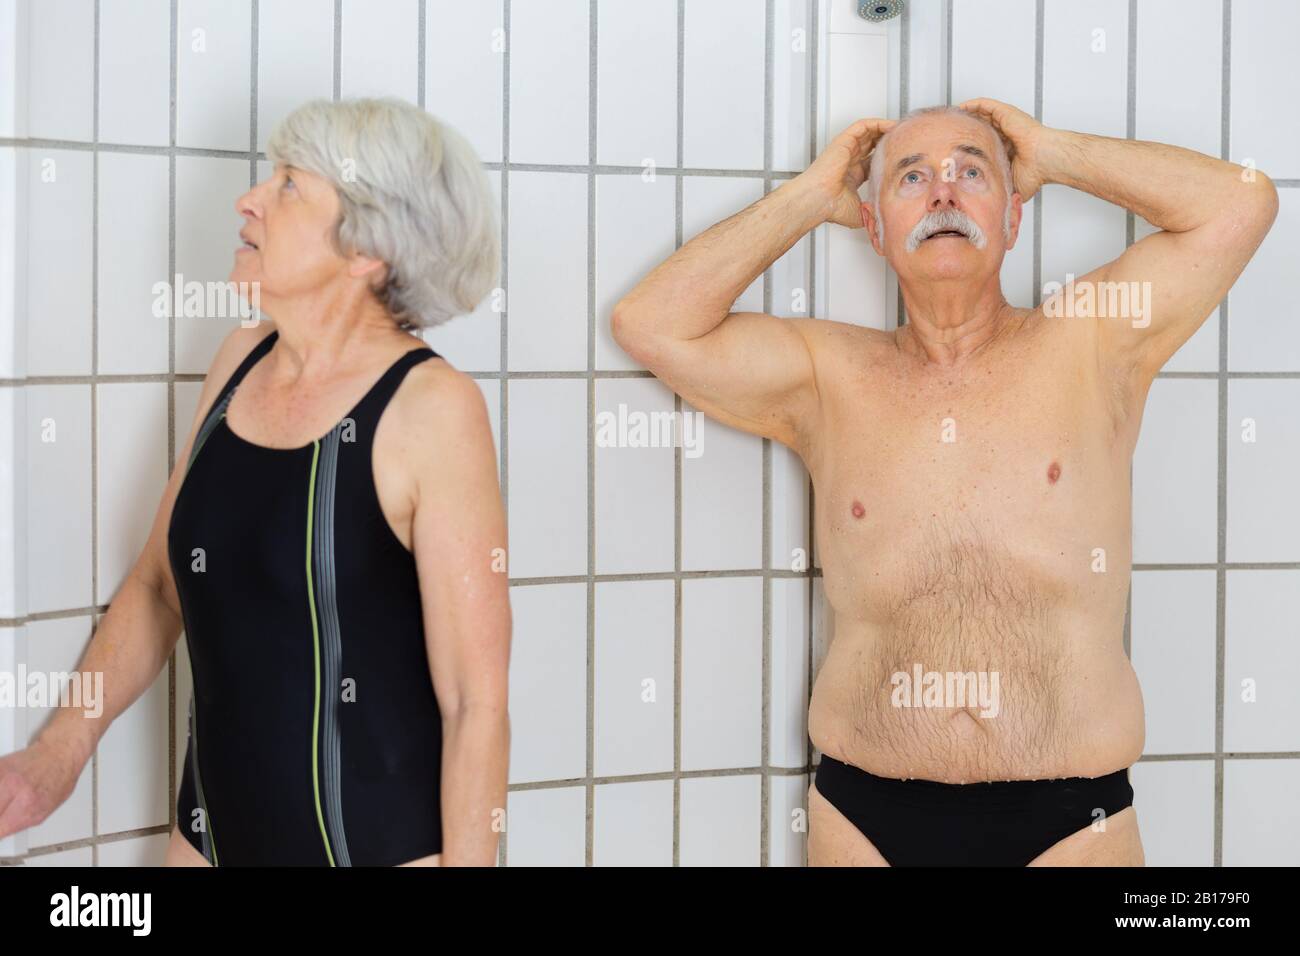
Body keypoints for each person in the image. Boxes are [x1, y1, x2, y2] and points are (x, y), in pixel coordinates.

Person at [611, 100, 1278, 866]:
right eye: (911, 178)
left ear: (1015, 215)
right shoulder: (828, 375)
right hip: (865, 815)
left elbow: (1243, 202)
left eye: (972, 171)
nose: (943, 194)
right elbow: (651, 322)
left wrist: (1053, 150)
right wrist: (813, 192)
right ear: (874, 228)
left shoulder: (1094, 341)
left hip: (1070, 819)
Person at [0, 98, 512, 866]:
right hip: (206, 846)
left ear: (367, 247)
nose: (250, 199)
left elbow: (476, 704)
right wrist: (55, 759)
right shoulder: (237, 363)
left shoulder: (433, 410)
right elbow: (158, 588)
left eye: (289, 186)